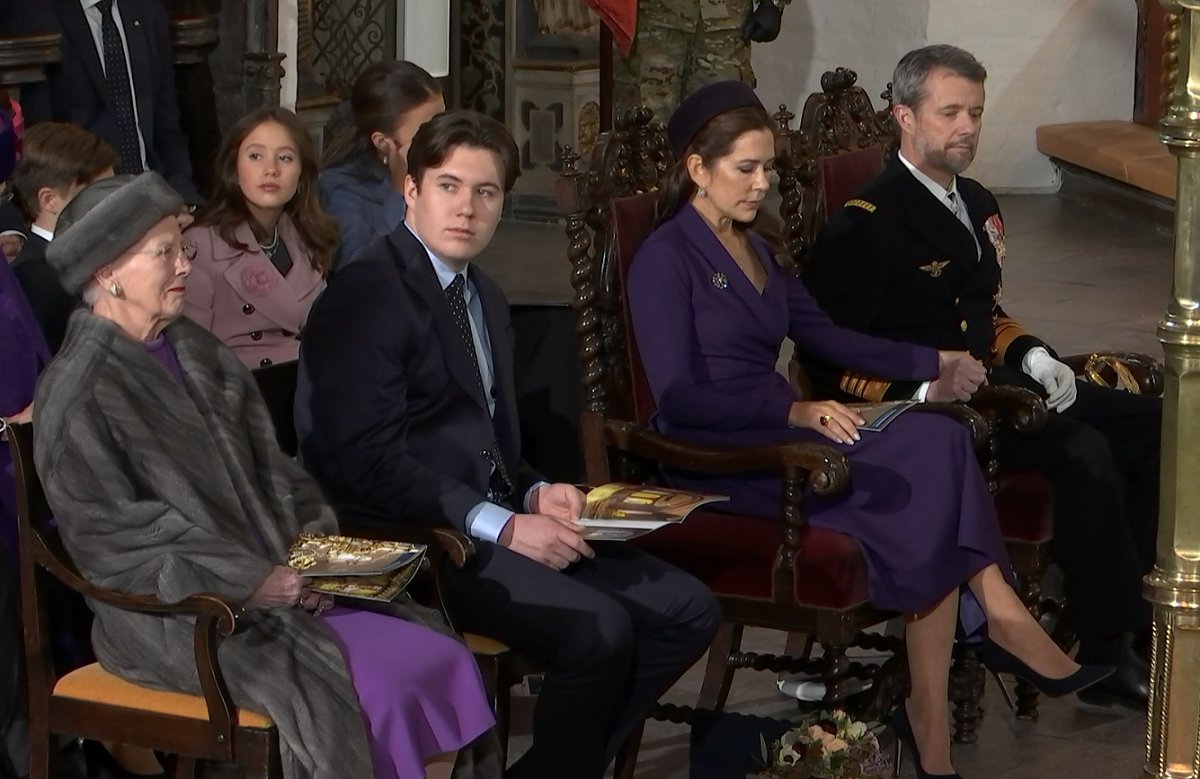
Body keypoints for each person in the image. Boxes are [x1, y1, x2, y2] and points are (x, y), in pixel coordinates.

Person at [626, 80, 1113, 779]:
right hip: (727, 450)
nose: (762, 183)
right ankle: (990, 641)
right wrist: (790, 411)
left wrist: (934, 360)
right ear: (696, 169)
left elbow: (830, 334)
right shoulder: (664, 259)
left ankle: (940, 711)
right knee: (930, 486)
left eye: (768, 168)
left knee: (943, 436)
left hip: (789, 432)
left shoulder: (759, 248)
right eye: (746, 168)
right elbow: (676, 400)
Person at [297, 110, 720, 779]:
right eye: (449, 186)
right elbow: (364, 462)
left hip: (494, 518)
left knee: (687, 607)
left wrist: (536, 490)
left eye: (486, 192)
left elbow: (488, 441)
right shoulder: (368, 295)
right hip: (419, 540)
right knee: (599, 630)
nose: (467, 207)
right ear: (412, 190)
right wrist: (503, 524)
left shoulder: (485, 296)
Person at [34, 171, 496, 779]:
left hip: (287, 590)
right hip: (188, 620)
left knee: (440, 656)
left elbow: (280, 475)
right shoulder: (79, 391)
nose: (184, 266)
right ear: (105, 272)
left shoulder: (196, 351)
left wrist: (315, 559)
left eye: (184, 247)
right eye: (165, 252)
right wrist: (252, 582)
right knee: (369, 691)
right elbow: (116, 545)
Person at [802, 45, 1161, 710]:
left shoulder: (975, 199)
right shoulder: (865, 225)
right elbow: (827, 356)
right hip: (929, 418)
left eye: (975, 112)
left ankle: (1112, 611)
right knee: (1081, 449)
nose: (966, 126)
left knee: (1156, 422)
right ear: (905, 117)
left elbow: (982, 309)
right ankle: (1111, 651)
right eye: (950, 112)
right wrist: (917, 393)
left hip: (993, 383)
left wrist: (1032, 355)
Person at [184, 107, 336, 369]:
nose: (271, 170)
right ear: (234, 168)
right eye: (255, 156)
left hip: (306, 383)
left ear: (302, 175)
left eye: (285, 158)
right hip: (240, 392)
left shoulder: (306, 236)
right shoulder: (200, 245)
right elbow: (191, 356)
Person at [21, 0, 201, 205]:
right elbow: (39, 142)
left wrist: (183, 199)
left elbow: (167, 128)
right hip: (84, 200)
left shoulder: (148, 9)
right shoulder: (35, 14)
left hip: (155, 190)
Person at [319, 61, 444, 269]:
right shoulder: (339, 187)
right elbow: (359, 270)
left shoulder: (438, 172)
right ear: (383, 143)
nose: (440, 138)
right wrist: (398, 187)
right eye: (426, 132)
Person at [9, 122, 117, 352]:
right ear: (49, 200)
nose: (114, 202)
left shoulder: (114, 253)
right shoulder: (32, 280)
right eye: (99, 193)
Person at [609, 0, 787, 121]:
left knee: (722, 127)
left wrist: (772, 3)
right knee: (646, 126)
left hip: (723, 25)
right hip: (651, 22)